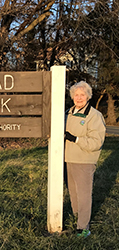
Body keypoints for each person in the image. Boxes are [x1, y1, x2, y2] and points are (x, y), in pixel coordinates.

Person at [64, 81, 106, 238]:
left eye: (82, 95)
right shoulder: (67, 112)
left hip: (84, 161)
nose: (79, 98)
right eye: (76, 95)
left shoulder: (95, 116)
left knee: (83, 194)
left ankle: (83, 227)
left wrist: (76, 139)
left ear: (88, 96)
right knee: (73, 193)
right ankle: (77, 218)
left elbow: (97, 142)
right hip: (67, 159)